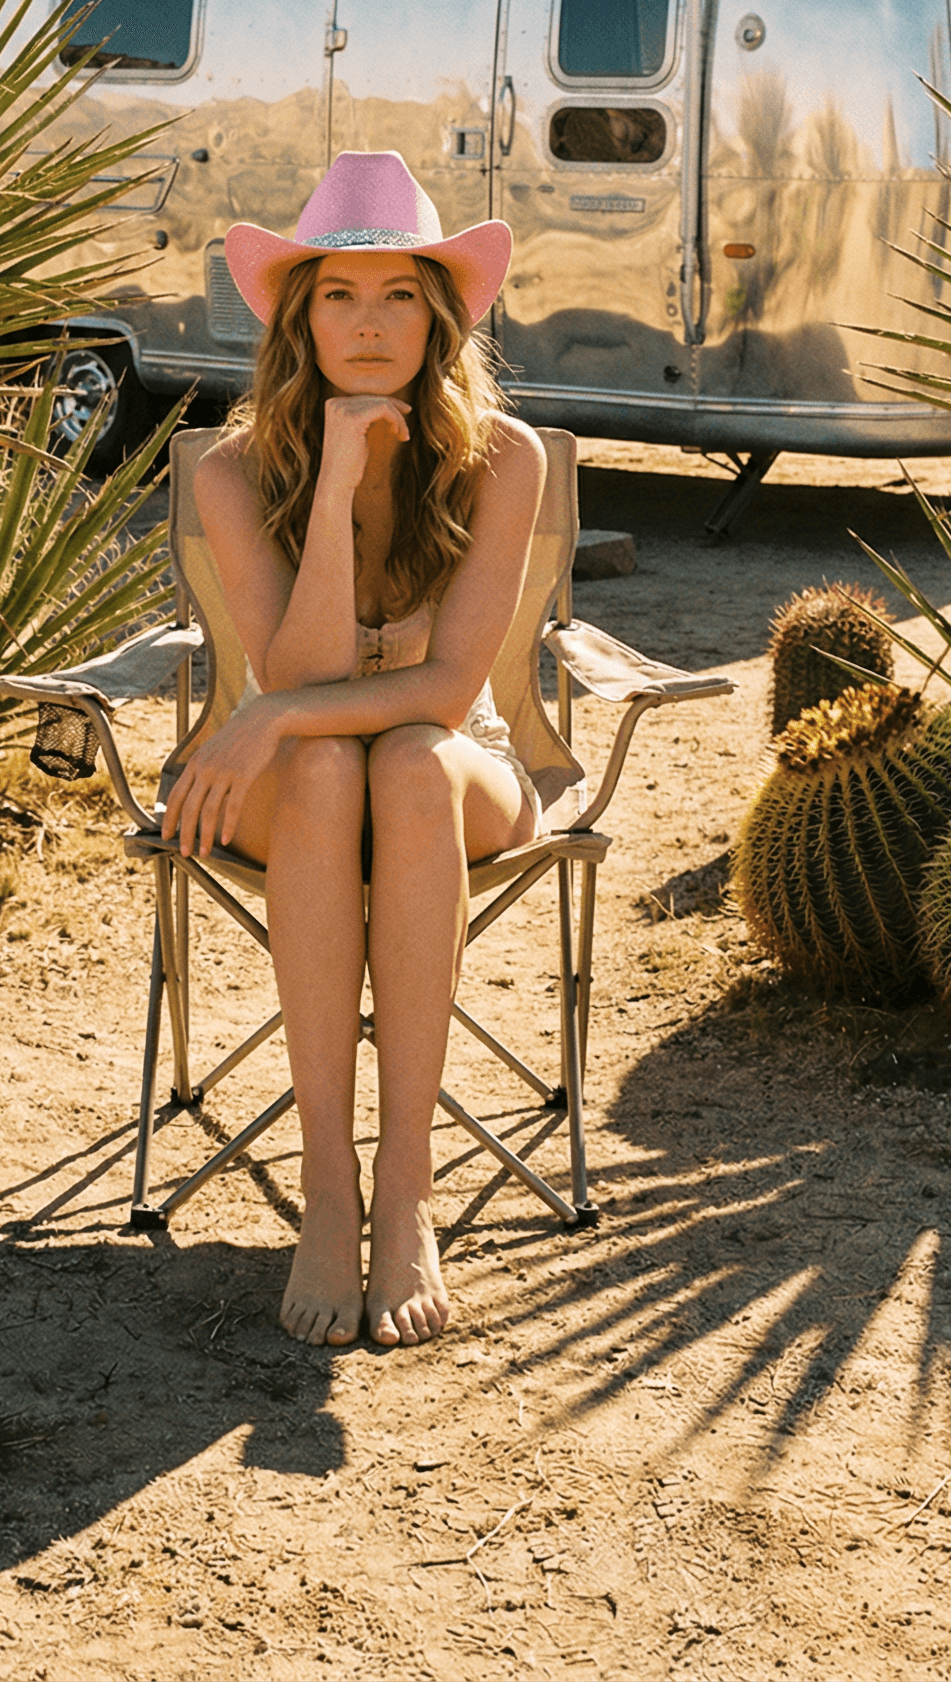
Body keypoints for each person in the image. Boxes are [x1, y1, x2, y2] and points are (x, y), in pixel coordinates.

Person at [161, 150, 546, 1350]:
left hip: (454, 767)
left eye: (397, 296)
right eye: (339, 294)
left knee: (404, 760)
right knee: (335, 762)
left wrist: (271, 716)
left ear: (438, 316)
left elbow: (446, 686)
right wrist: (332, 486)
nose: (369, 322)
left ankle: (407, 1189)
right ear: (299, 314)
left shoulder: (505, 458)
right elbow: (298, 673)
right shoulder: (234, 470)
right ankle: (331, 1188)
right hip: (309, 778)